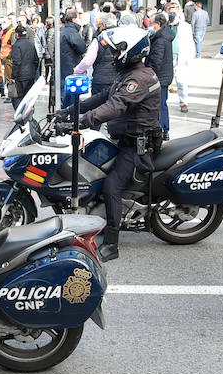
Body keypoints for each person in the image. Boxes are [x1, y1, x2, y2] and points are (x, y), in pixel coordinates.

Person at [55, 27, 157, 261]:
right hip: (125, 139)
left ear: (128, 52)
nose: (112, 56)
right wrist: (68, 112)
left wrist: (80, 122)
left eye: (115, 51)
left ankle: (111, 243)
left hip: (137, 146)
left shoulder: (139, 80)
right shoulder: (128, 74)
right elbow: (103, 97)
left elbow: (115, 106)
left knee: (112, 186)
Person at [146, 12, 178, 132]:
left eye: (151, 23)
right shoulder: (164, 36)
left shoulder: (160, 40)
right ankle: (164, 129)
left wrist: (148, 74)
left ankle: (163, 129)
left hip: (160, 77)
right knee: (162, 104)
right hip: (164, 76)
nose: (149, 25)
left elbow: (156, 61)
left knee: (160, 104)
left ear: (158, 24)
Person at [58, 10, 87, 107]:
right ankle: (69, 113)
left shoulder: (63, 30)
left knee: (66, 90)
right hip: (71, 65)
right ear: (74, 19)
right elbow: (82, 47)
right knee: (71, 94)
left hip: (64, 65)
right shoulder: (71, 31)